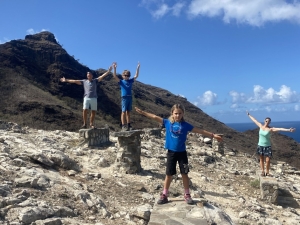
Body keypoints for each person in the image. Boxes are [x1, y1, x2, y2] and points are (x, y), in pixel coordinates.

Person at [135, 104, 222, 205]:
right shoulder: (167, 123)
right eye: (176, 113)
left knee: (184, 174)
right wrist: (143, 113)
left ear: (183, 114)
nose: (178, 115)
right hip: (171, 153)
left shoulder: (185, 125)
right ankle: (164, 195)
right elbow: (155, 117)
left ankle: (187, 194)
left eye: (180, 113)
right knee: (169, 174)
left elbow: (199, 131)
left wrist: (213, 135)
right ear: (172, 113)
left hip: (182, 153)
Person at [246, 112, 296, 176]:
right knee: (261, 159)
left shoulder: (270, 129)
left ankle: (267, 172)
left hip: (267, 146)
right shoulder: (260, 126)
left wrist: (289, 130)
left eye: (268, 121)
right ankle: (262, 171)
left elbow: (280, 129)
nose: (267, 122)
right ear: (264, 121)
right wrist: (249, 115)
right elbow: (254, 120)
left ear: (269, 122)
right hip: (260, 145)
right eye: (266, 121)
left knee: (268, 160)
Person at [113, 62, 140, 131]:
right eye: (125, 75)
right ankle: (123, 125)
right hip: (124, 97)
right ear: (122, 75)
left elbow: (136, 75)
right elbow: (115, 76)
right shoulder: (121, 81)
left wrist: (137, 68)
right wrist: (115, 68)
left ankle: (129, 125)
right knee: (123, 112)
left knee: (128, 112)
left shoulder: (130, 81)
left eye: (128, 75)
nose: (126, 76)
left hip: (129, 97)